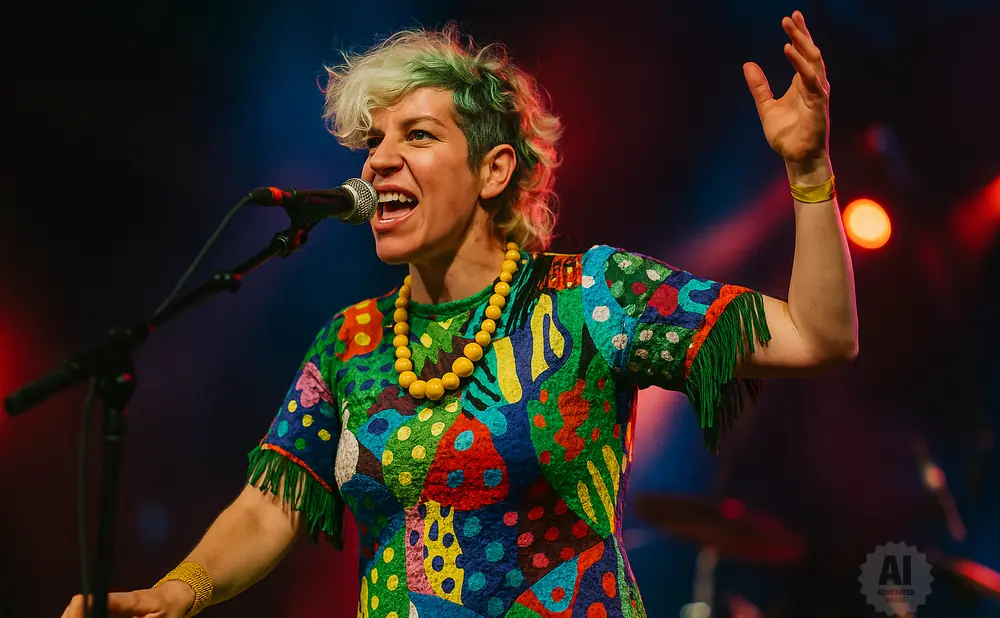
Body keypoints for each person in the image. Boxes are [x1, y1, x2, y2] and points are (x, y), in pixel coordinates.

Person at [61, 10, 857, 618]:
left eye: (417, 135)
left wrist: (809, 170)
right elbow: (270, 505)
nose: (378, 160)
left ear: (493, 169)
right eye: (374, 141)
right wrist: (177, 593)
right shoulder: (353, 343)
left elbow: (819, 335)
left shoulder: (591, 295)